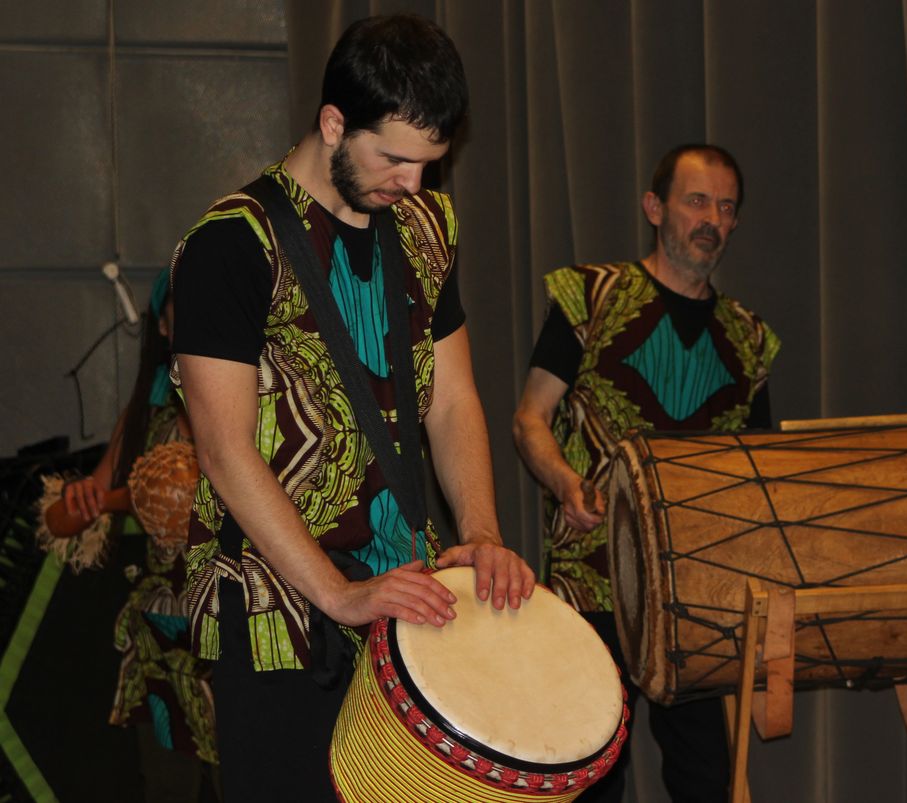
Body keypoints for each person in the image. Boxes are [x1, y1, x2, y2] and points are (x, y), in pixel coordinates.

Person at [169, 14, 535, 803]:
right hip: (275, 608)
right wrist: (336, 592)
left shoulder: (428, 226)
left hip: (403, 594)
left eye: (430, 163)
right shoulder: (229, 243)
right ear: (334, 122)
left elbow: (453, 397)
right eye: (395, 158)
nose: (413, 183)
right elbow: (224, 451)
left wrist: (480, 535)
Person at [513, 144, 780, 801]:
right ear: (655, 207)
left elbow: (763, 468)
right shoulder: (589, 298)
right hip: (594, 576)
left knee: (706, 777)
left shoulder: (748, 339)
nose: (711, 218)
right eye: (697, 200)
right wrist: (562, 482)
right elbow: (529, 420)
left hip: (697, 590)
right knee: (595, 771)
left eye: (726, 206)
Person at [39, 269, 219, 801]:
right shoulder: (144, 417)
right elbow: (61, 523)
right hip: (161, 643)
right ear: (163, 327)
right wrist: (82, 502)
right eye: (185, 312)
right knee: (168, 787)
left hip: (240, 637)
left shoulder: (255, 412)